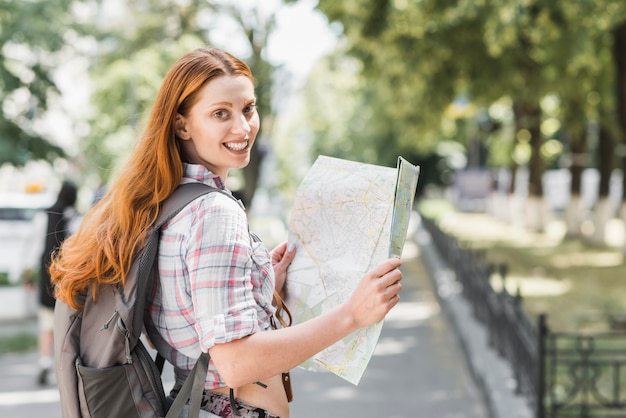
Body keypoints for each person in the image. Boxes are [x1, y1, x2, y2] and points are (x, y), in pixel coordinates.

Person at [50, 47, 402, 418]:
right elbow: (236, 362)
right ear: (182, 124)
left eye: (248, 108)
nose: (243, 127)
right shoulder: (213, 213)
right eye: (221, 113)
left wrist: (262, 288)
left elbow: (186, 320)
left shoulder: (164, 204)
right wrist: (352, 314)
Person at [37, 181, 77, 385]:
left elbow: (33, 245)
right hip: (65, 277)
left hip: (44, 276)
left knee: (46, 324)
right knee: (64, 325)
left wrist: (28, 275)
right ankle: (64, 368)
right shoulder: (71, 215)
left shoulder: (43, 214)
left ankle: (44, 362)